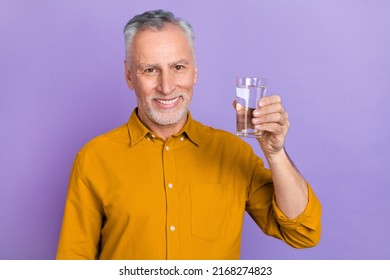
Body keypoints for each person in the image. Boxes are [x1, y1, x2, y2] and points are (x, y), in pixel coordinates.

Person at [56, 9, 321, 260]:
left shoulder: (232, 152)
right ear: (128, 76)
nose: (167, 86)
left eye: (178, 67)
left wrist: (275, 154)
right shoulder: (93, 158)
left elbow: (301, 232)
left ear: (195, 72)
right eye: (150, 70)